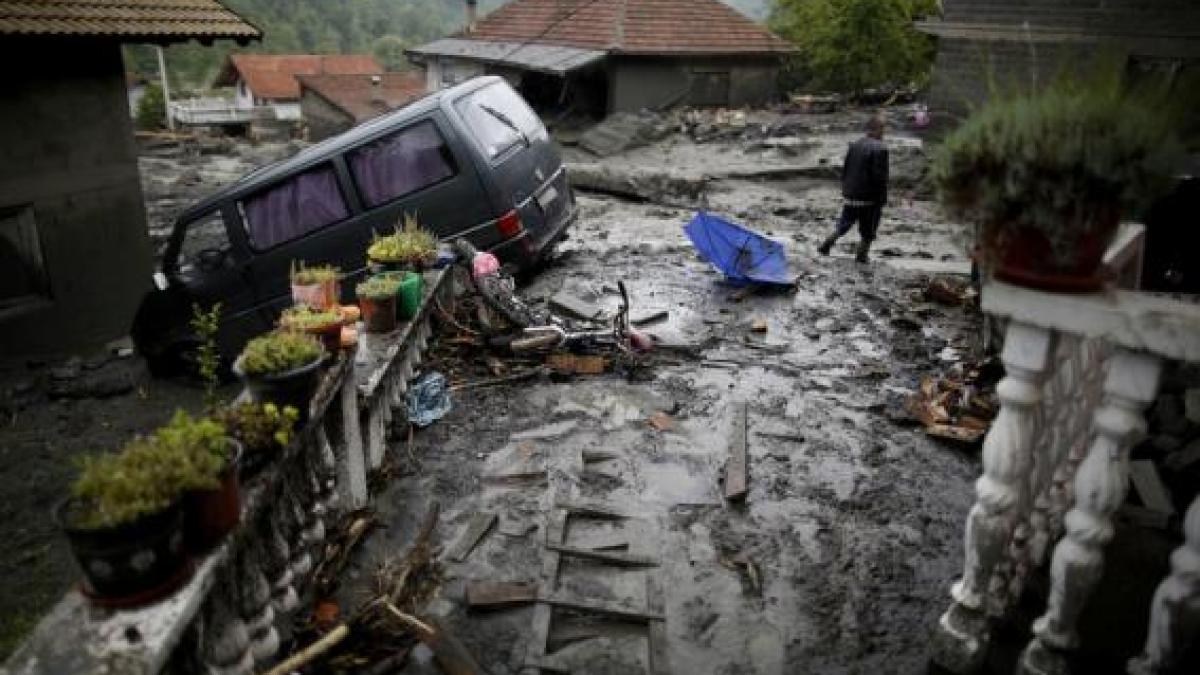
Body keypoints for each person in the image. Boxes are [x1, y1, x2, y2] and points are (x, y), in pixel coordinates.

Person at [817, 113, 889, 263]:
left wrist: (846, 190)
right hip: (869, 198)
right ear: (878, 129)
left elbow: (846, 169)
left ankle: (826, 245)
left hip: (851, 195)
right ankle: (861, 255)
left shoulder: (855, 145)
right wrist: (882, 199)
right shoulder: (881, 149)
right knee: (868, 230)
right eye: (883, 129)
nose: (884, 133)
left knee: (843, 224)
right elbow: (880, 178)